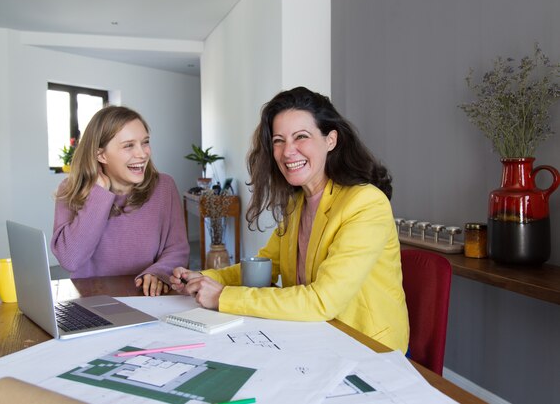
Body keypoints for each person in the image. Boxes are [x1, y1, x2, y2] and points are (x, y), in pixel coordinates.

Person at [170, 87, 409, 352]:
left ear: (330, 140)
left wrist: (223, 296)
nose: (287, 151)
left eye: (301, 137)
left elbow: (321, 301)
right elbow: (262, 266)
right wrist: (202, 278)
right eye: (278, 140)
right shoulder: (296, 204)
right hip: (313, 336)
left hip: (366, 347)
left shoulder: (365, 203)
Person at [52, 105, 189, 296]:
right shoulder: (71, 189)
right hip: (92, 301)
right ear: (101, 155)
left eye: (145, 142)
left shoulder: (164, 187)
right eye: (128, 145)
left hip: (149, 298)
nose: (142, 154)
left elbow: (178, 249)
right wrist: (98, 194)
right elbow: (70, 259)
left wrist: (159, 272)